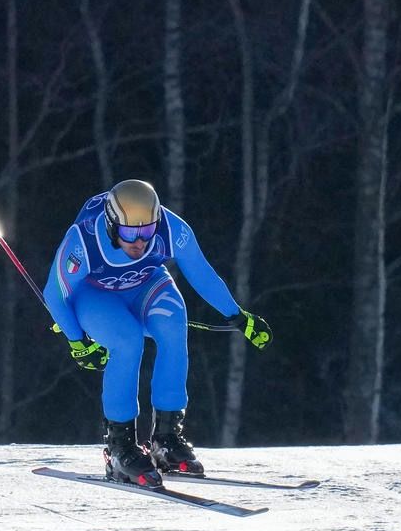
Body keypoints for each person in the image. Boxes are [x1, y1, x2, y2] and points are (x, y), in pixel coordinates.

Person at [44, 179, 271, 487]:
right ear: (112, 225)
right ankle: (120, 448)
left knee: (174, 324)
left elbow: (201, 272)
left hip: (146, 283)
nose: (139, 242)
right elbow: (55, 293)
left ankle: (167, 439)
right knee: (128, 341)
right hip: (96, 296)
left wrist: (238, 316)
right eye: (129, 234)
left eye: (148, 231)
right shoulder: (83, 239)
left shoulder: (172, 229)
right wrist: (77, 340)